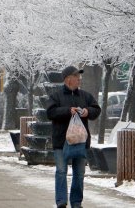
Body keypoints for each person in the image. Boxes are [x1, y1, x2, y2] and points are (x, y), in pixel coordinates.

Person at [46, 66, 101, 208]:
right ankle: (61, 202)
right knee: (61, 172)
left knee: (79, 173)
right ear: (68, 79)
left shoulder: (85, 96)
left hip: (81, 142)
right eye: (77, 77)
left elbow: (97, 110)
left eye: (80, 77)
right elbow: (50, 112)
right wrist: (67, 111)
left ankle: (76, 203)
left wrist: (87, 112)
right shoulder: (56, 96)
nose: (79, 79)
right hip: (61, 141)